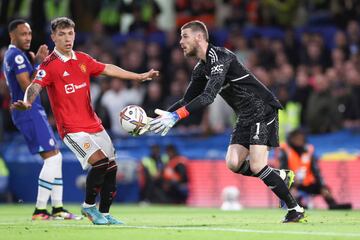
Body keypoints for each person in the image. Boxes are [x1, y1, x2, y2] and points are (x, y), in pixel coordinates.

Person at [149, 20, 306, 223]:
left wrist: (177, 116)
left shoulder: (221, 56)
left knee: (258, 165)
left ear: (199, 37)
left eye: (184, 36)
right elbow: (186, 100)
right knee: (233, 163)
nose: (180, 42)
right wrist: (156, 119)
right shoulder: (201, 68)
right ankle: (280, 177)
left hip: (262, 109)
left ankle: (295, 208)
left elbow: (207, 97)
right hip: (244, 115)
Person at [11, 17, 159, 225]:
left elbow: (107, 68)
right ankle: (89, 207)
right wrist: (27, 101)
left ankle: (105, 214)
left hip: (94, 124)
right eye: (61, 34)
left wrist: (138, 76)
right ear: (53, 37)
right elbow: (35, 86)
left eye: (70, 33)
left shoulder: (82, 59)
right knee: (99, 162)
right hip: (72, 129)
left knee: (111, 167)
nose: (67, 38)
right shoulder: (50, 65)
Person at [3, 19, 80, 220]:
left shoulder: (18, 55)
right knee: (53, 158)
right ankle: (40, 210)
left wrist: (36, 61)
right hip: (27, 110)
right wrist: (39, 63)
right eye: (22, 34)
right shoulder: (16, 56)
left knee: (56, 157)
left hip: (31, 110)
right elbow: (28, 85)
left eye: (29, 33)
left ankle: (58, 208)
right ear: (12, 35)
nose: (28, 37)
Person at [279, 128, 352, 210]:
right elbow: (283, 170)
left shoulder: (309, 150)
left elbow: (316, 170)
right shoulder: (286, 150)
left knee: (325, 190)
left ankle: (333, 204)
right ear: (291, 139)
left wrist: (322, 185)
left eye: (301, 138)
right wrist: (291, 184)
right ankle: (296, 206)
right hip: (293, 183)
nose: (299, 140)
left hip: (308, 182)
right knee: (291, 192)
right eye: (296, 138)